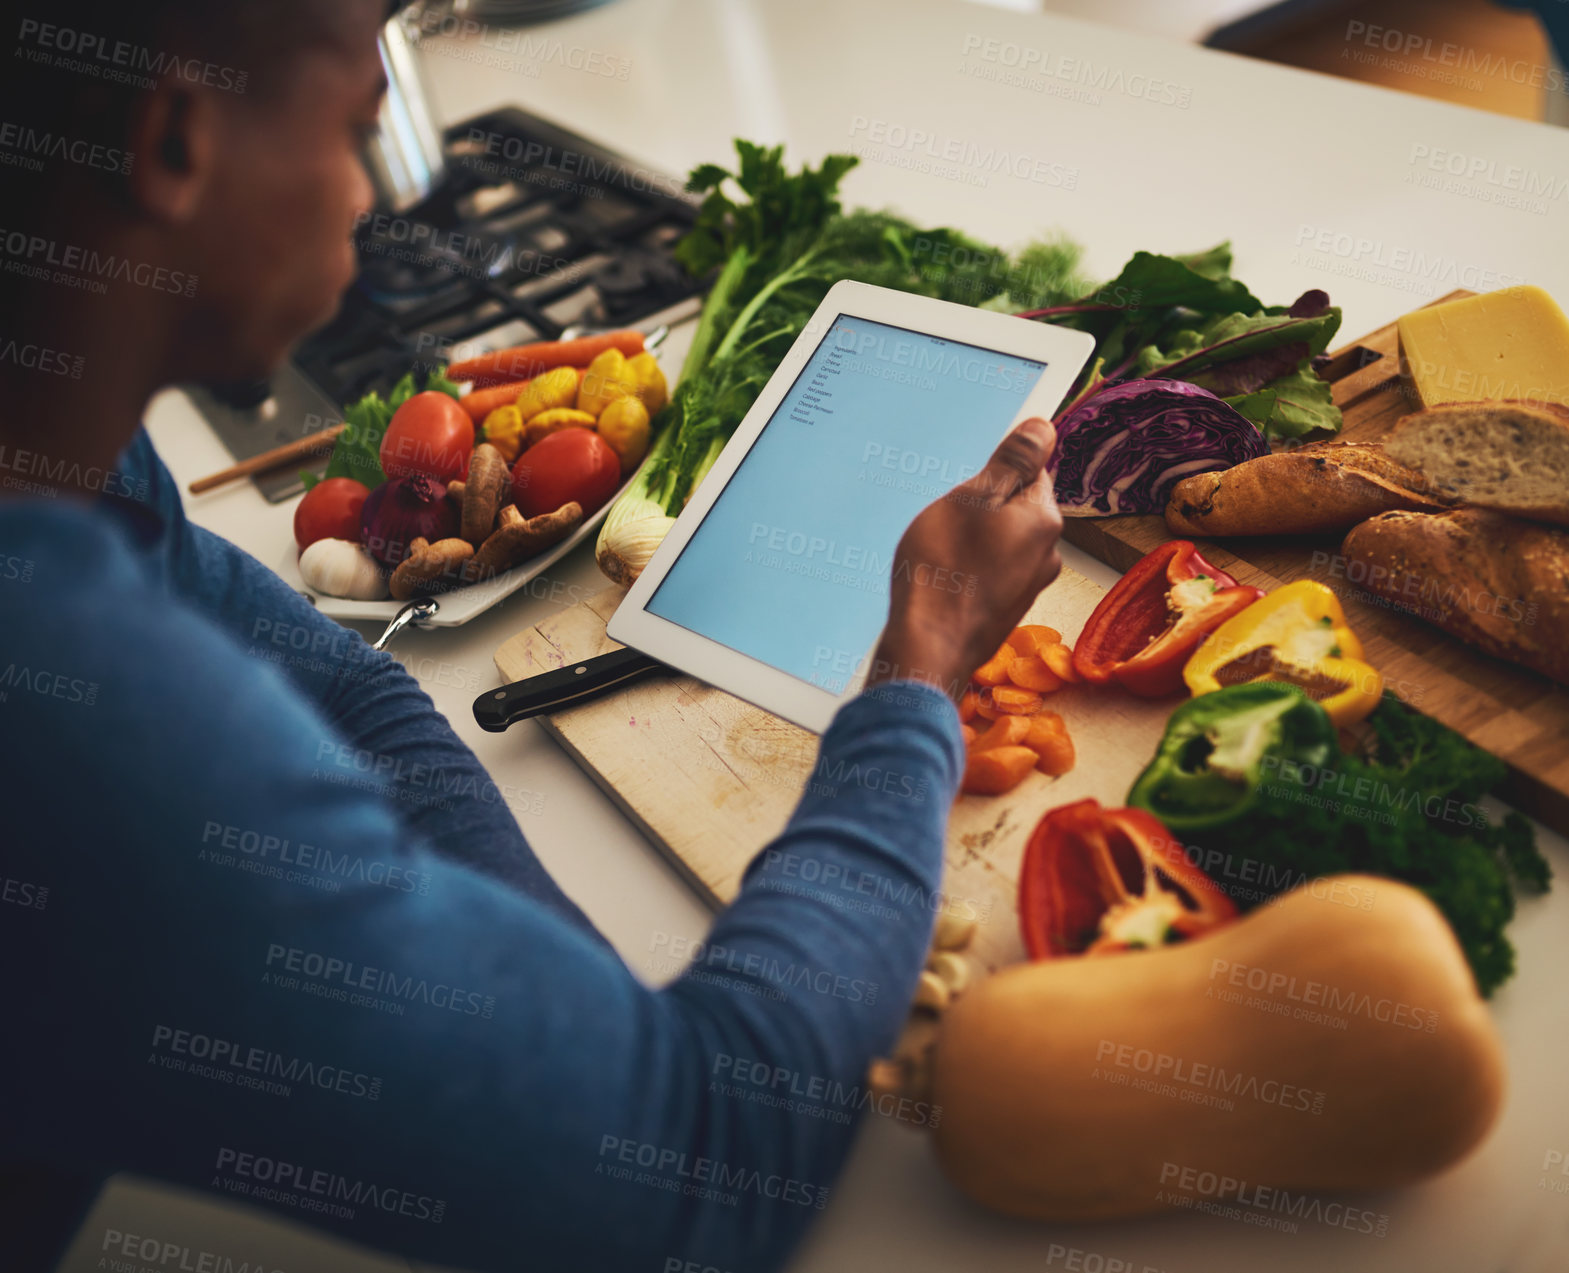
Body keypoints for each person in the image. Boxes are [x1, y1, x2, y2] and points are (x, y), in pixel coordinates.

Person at [0, 2, 1066, 1270]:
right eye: (356, 128)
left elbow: (354, 694)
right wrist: (922, 664)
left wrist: (555, 1021)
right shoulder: (75, 713)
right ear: (173, 140)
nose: (379, 189)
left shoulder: (73, 456)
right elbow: (698, 1179)